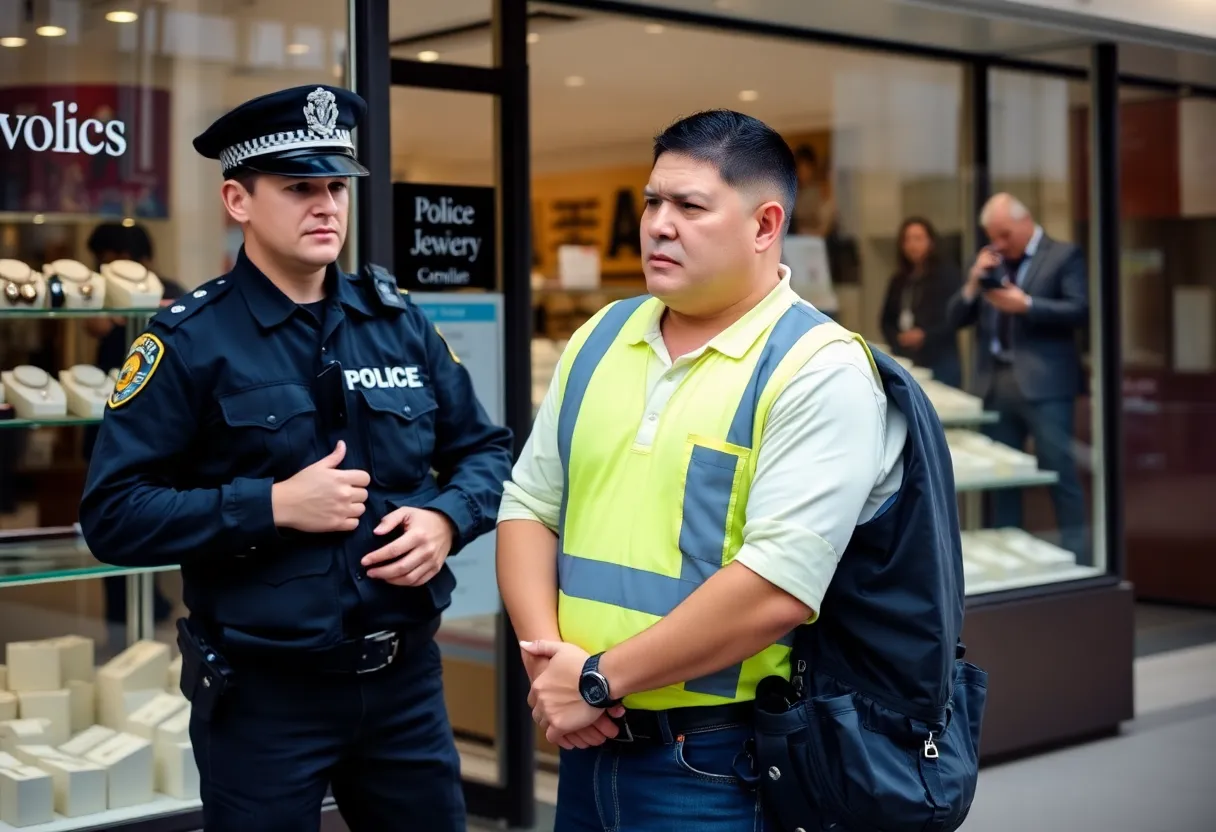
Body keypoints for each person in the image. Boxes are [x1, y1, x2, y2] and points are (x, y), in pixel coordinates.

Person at [79, 84, 514, 832]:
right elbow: (114, 516)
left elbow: (488, 452)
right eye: (299, 187)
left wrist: (446, 520)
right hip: (264, 696)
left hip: (404, 681)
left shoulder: (397, 323)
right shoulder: (189, 341)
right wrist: (272, 505)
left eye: (337, 186)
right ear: (237, 201)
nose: (327, 206)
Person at [495, 110, 909, 830]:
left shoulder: (818, 367)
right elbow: (530, 505)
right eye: (654, 201)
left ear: (763, 224)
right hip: (586, 742)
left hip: (715, 763)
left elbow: (777, 585)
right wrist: (548, 666)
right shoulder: (601, 335)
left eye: (689, 206)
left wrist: (594, 681)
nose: (658, 223)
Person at [946, 192, 1089, 560]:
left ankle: (1081, 561)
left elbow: (1081, 310)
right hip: (995, 383)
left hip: (1045, 385)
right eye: (994, 235)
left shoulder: (1063, 256)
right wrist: (974, 282)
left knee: (1059, 473)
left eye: (1006, 234)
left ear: (1026, 222)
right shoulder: (990, 261)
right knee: (1002, 479)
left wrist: (1026, 305)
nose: (999, 243)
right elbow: (955, 319)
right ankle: (1009, 559)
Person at [81, 221, 185, 629]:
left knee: (148, 508)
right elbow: (95, 326)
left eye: (111, 258)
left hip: (152, 420)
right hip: (111, 405)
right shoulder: (106, 287)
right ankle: (126, 607)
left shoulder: (167, 292)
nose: (106, 266)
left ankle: (146, 601)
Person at [878, 216, 963, 387]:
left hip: (939, 361)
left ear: (931, 242)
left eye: (918, 239)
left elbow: (955, 318)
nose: (912, 245)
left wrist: (925, 335)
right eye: (907, 240)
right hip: (906, 360)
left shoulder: (947, 276)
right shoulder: (899, 280)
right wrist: (897, 338)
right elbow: (885, 319)